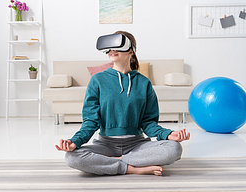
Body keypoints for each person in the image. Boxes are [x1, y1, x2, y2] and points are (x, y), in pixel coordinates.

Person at [55, 31, 190, 176]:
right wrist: (75, 141)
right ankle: (132, 168)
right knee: (72, 157)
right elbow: (90, 121)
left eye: (117, 46)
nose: (112, 50)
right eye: (109, 47)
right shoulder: (97, 80)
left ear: (130, 50)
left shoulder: (144, 83)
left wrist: (168, 135)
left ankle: (113, 162)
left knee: (174, 149)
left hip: (137, 144)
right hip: (106, 144)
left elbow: (149, 123)